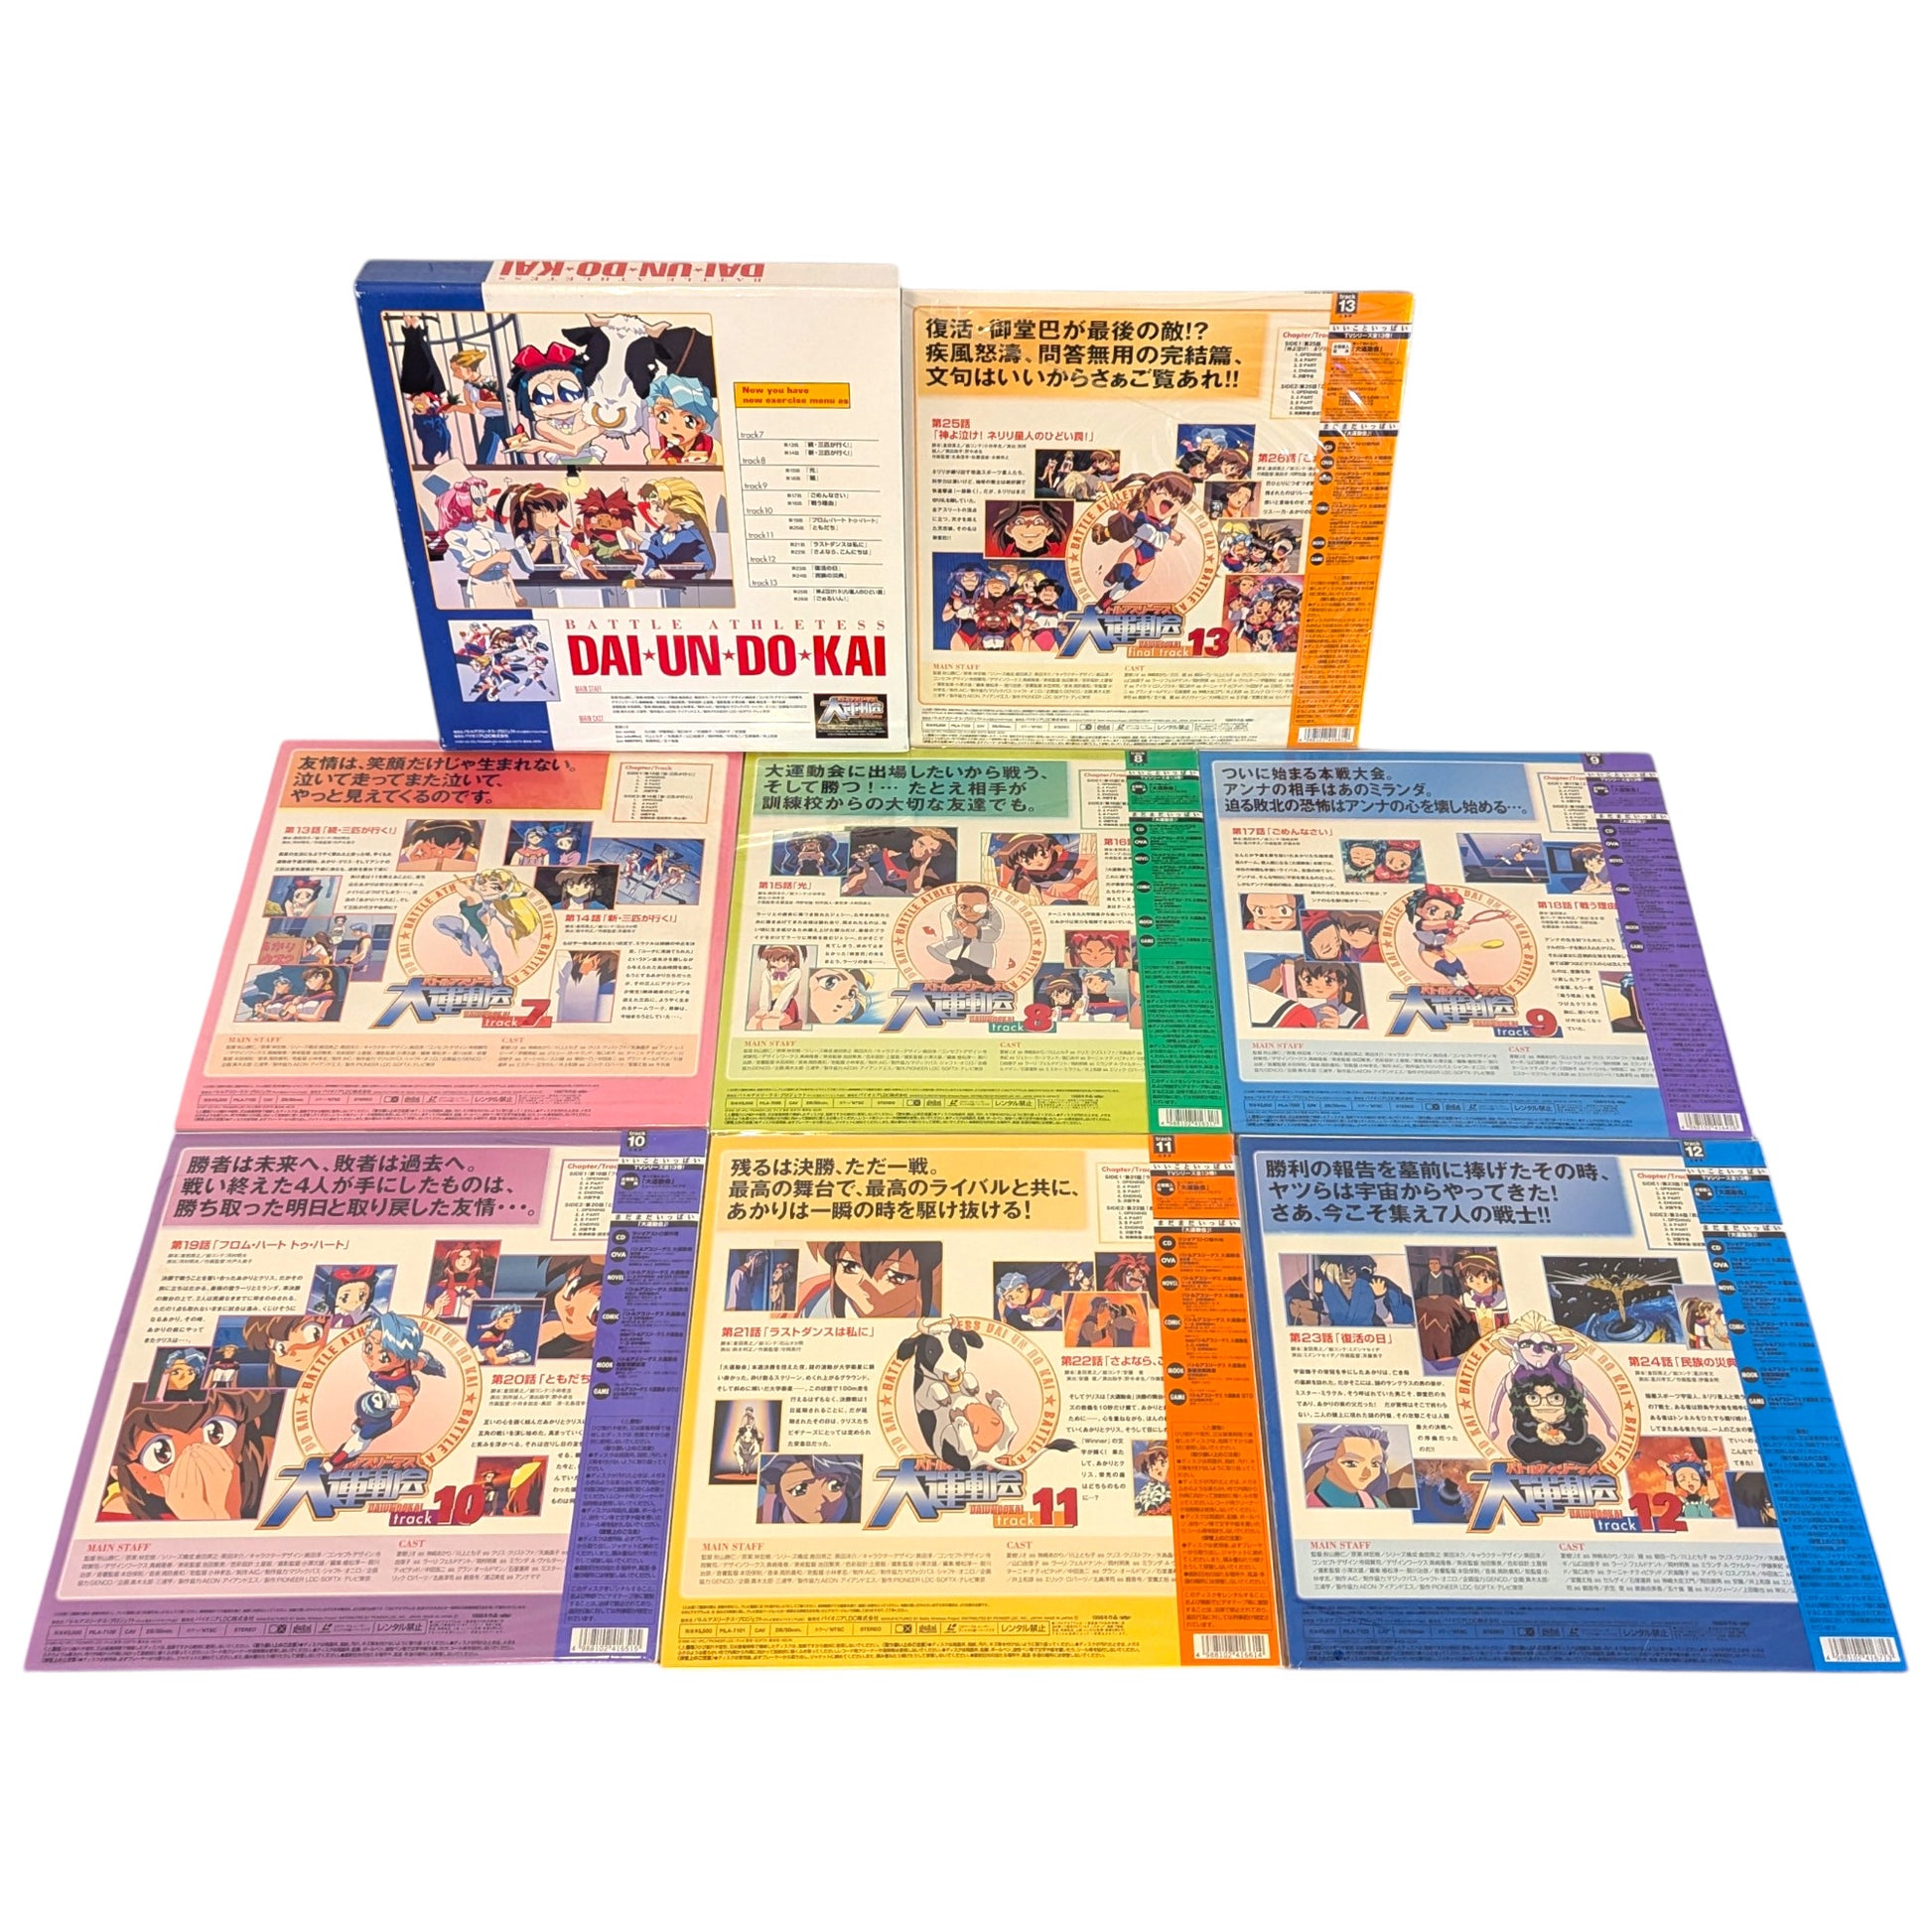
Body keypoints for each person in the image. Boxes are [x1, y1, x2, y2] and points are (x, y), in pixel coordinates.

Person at [1303, 1425, 1395, 1509]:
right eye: (1352, 1463)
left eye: (1375, 1464)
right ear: (1329, 1461)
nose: (1367, 1472)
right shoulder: (1307, 1506)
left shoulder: (1376, 1505)